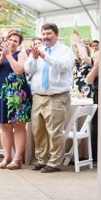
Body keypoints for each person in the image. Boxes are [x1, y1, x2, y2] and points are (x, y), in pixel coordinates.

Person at [24, 23, 75, 173]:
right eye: (44, 34)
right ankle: (41, 159)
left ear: (56, 35)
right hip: (38, 97)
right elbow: (28, 70)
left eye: (49, 34)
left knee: (54, 131)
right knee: (38, 131)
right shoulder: (37, 51)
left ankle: (54, 162)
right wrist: (33, 58)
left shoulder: (65, 51)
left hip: (57, 96)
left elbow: (63, 66)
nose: (45, 37)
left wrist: (45, 57)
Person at [0, 30, 31, 169]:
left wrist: (9, 56)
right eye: (10, 40)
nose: (12, 43)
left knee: (19, 126)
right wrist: (1, 58)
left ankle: (17, 159)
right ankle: (7, 157)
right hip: (2, 94)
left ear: (19, 44)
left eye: (15, 41)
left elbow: (19, 70)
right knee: (4, 126)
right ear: (6, 40)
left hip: (18, 95)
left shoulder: (21, 54)